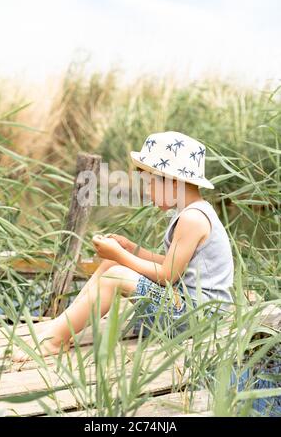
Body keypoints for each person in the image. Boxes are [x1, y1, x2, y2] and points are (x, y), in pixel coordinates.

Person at [12, 131, 234, 362]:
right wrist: (130, 249)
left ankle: (55, 342)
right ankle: (61, 327)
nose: (147, 192)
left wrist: (120, 254)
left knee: (115, 275)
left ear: (172, 181)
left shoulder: (193, 219)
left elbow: (168, 275)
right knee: (114, 262)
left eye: (150, 184)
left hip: (199, 320)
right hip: (185, 308)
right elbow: (174, 266)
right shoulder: (189, 212)